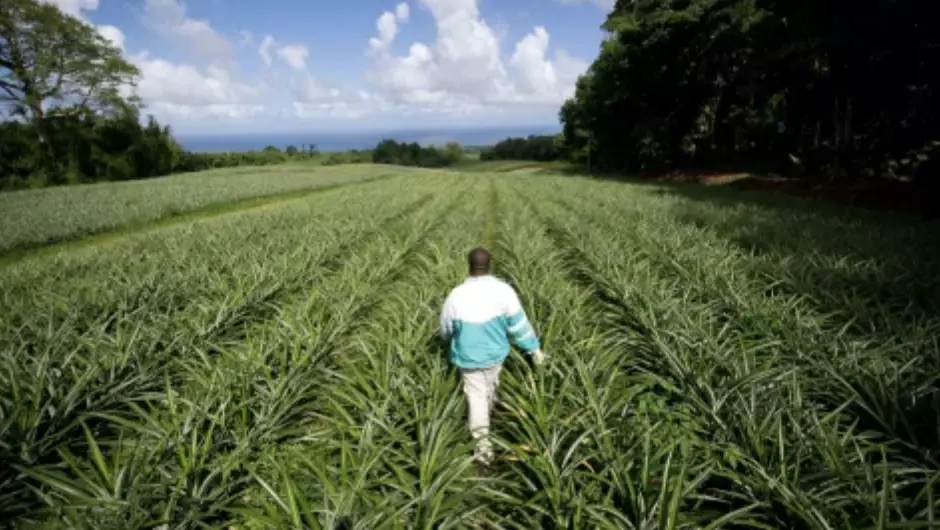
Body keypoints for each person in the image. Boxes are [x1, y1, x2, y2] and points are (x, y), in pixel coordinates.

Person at [439, 247, 547, 466]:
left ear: (469, 265)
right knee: (490, 386)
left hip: (468, 357)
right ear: (489, 265)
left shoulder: (456, 295)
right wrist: (534, 349)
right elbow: (519, 326)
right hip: (496, 355)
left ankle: (483, 452)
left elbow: (445, 329)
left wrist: (450, 339)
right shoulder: (504, 291)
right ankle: (488, 420)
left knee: (476, 397)